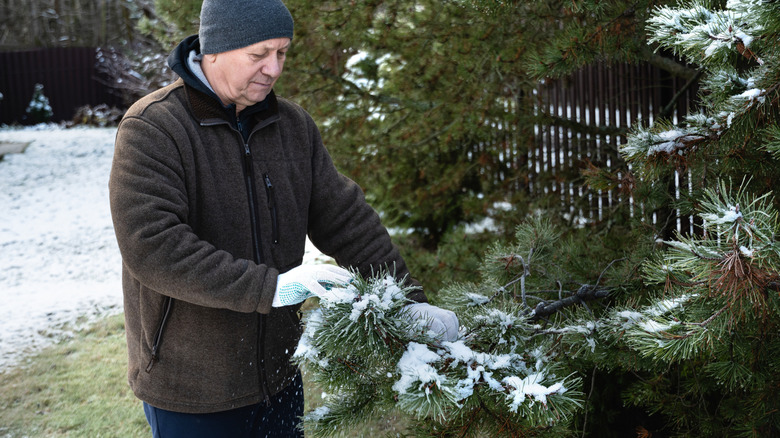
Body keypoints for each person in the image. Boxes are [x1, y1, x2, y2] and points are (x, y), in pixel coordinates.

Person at [108, 0, 459, 436]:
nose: (273, 69)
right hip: (193, 389)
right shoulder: (153, 128)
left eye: (282, 53)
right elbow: (154, 247)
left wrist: (407, 304)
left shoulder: (291, 126)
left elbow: (348, 222)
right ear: (214, 49)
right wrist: (271, 288)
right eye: (259, 55)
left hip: (280, 374)